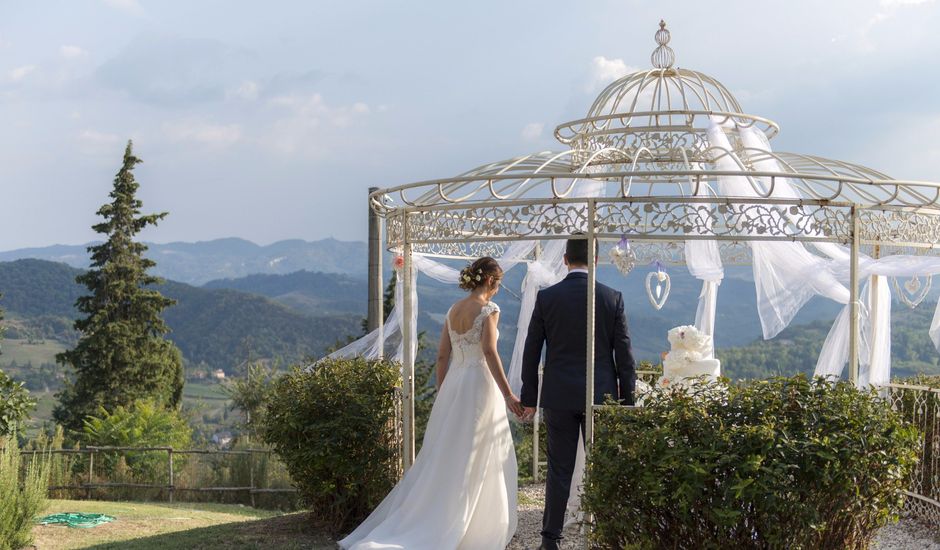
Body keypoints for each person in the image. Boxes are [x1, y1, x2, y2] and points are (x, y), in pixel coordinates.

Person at [339, 256, 523, 550]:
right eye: (498, 283)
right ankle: (475, 525)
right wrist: (508, 394)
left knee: (448, 450)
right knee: (479, 449)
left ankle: (437, 512)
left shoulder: (453, 310)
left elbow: (442, 356)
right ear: (490, 280)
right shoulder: (490, 309)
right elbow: (489, 352)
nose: (499, 289)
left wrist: (443, 390)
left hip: (454, 384)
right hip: (480, 385)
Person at [520, 236, 636, 550]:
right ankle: (607, 535)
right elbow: (624, 356)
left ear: (566, 260)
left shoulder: (548, 298)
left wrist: (529, 398)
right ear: (596, 261)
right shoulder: (612, 297)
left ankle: (550, 540)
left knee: (559, 468)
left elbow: (532, 352)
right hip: (601, 397)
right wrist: (628, 403)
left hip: (558, 395)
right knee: (604, 466)